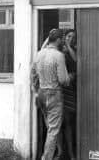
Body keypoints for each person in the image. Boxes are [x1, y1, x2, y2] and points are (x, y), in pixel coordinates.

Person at [31, 29, 72, 160]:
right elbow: (63, 80)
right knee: (53, 131)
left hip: (42, 94)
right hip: (54, 95)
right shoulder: (59, 55)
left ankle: (57, 154)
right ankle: (46, 158)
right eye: (63, 40)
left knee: (50, 128)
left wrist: (36, 91)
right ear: (59, 40)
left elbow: (32, 75)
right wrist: (71, 76)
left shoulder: (38, 54)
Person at [61, 29, 77, 160]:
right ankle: (61, 152)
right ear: (64, 37)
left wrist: (69, 46)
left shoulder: (74, 50)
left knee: (69, 123)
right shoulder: (58, 51)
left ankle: (71, 154)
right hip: (60, 90)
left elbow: (76, 60)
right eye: (69, 36)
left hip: (70, 90)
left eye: (73, 37)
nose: (71, 38)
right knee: (59, 124)